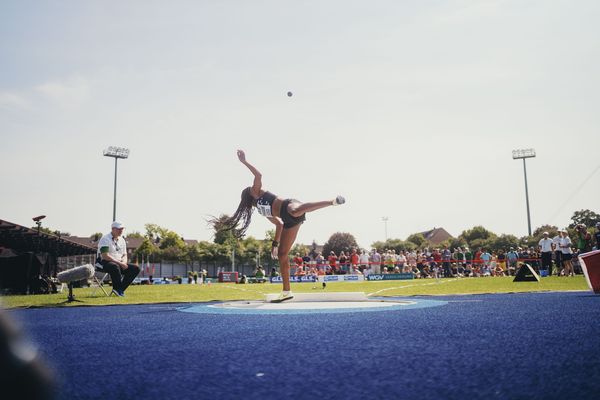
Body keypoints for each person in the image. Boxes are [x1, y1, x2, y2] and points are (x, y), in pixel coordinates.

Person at [214, 150, 345, 302]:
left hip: (289, 206)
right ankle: (286, 291)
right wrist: (275, 244)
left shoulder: (255, 191)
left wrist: (244, 162)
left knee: (296, 210)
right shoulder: (261, 209)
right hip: (290, 222)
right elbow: (278, 224)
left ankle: (332, 201)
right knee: (282, 255)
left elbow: (258, 176)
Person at [97, 221, 140, 297]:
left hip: (119, 262)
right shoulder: (105, 239)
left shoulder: (122, 240)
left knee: (136, 268)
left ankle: (119, 289)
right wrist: (120, 263)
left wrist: (124, 262)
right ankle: (118, 289)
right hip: (104, 262)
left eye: (122, 229)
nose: (121, 231)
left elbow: (125, 254)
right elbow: (105, 256)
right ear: (113, 229)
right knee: (115, 266)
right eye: (119, 229)